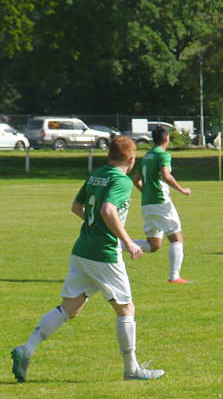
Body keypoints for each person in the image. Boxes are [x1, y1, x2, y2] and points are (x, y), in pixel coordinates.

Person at [11, 137, 164, 382]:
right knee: (125, 308)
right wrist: (128, 241)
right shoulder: (121, 180)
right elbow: (107, 210)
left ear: (108, 155)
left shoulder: (97, 174)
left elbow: (76, 206)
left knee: (69, 308)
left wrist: (93, 227)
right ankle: (132, 369)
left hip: (82, 250)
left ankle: (27, 348)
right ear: (132, 159)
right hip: (104, 253)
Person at [132, 126, 192, 283]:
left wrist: (146, 192)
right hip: (160, 202)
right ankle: (174, 277)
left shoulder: (147, 155)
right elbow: (166, 175)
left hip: (147, 203)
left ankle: (117, 244)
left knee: (154, 245)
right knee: (176, 237)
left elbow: (135, 179)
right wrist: (182, 190)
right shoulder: (163, 155)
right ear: (167, 138)